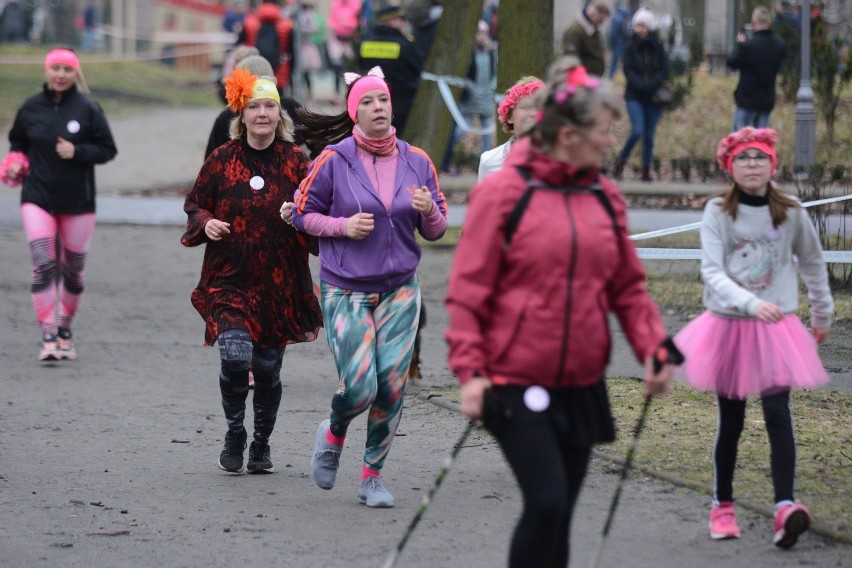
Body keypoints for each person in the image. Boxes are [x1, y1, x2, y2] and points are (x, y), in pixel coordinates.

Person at [444, 57, 673, 568]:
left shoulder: (603, 195)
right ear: (567, 133)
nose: (609, 142)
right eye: (602, 131)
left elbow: (628, 288)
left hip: (581, 379)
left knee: (562, 512)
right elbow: (467, 290)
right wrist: (471, 371)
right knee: (545, 502)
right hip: (512, 376)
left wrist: (653, 346)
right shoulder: (505, 192)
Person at [283, 66, 448, 508]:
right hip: (346, 288)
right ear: (355, 112)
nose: (378, 108)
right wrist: (342, 227)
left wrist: (429, 209)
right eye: (369, 102)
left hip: (400, 289)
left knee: (391, 386)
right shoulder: (334, 161)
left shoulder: (417, 160)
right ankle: (334, 432)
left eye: (384, 101)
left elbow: (436, 229)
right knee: (359, 387)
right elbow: (300, 214)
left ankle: (371, 477)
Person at [673, 127, 832, 548]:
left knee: (779, 415)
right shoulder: (717, 213)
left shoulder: (791, 212)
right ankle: (722, 503)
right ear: (729, 166)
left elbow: (813, 264)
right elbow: (711, 271)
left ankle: (784, 507)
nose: (752, 165)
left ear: (772, 164)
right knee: (733, 421)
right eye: (743, 159)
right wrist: (748, 304)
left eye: (760, 158)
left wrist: (823, 312)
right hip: (729, 327)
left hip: (776, 329)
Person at [181, 68, 323, 474]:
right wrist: (206, 222)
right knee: (235, 357)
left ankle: (261, 443)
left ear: (281, 116)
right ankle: (234, 431)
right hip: (229, 278)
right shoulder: (223, 159)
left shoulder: (297, 161)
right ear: (241, 115)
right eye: (255, 106)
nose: (262, 114)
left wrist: (299, 215)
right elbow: (195, 203)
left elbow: (318, 211)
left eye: (270, 107)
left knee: (266, 368)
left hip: (279, 283)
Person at [2, 47, 117, 361]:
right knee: (43, 264)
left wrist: (78, 152)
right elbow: (17, 141)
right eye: (56, 69)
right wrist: (15, 162)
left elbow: (108, 150)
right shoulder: (30, 108)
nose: (61, 75)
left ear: (76, 74)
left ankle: (65, 330)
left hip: (78, 201)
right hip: (37, 197)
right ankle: (48, 336)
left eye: (67, 69)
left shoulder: (88, 109)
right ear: (47, 71)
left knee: (73, 271)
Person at [205, 54, 304, 159]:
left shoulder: (291, 109)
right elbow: (210, 164)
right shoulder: (226, 119)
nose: (262, 113)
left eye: (270, 105)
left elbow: (316, 145)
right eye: (253, 107)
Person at [612, 8, 667, 182]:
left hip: (653, 97)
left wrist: (652, 84)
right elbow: (627, 69)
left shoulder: (658, 46)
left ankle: (646, 169)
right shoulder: (630, 46)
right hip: (634, 95)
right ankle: (621, 160)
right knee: (637, 131)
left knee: (649, 136)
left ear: (650, 27)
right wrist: (641, 85)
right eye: (637, 25)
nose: (639, 29)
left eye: (643, 25)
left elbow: (663, 69)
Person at [357, 3, 425, 134]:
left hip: (371, 101)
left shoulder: (365, 43)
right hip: (401, 105)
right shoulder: (404, 45)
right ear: (392, 21)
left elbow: (360, 67)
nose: (404, 24)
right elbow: (418, 70)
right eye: (401, 20)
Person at [440, 19, 497, 174]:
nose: (482, 36)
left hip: (485, 97)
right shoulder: (468, 52)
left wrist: (490, 89)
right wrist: (470, 88)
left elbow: (493, 74)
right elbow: (463, 75)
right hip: (470, 98)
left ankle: (485, 161)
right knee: (460, 129)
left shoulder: (491, 52)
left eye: (484, 33)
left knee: (487, 130)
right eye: (479, 33)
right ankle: (446, 159)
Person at [726, 6, 786, 131]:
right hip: (767, 101)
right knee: (761, 143)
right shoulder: (779, 46)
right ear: (769, 23)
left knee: (740, 143)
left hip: (746, 101)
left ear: (753, 22)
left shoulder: (747, 47)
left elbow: (731, 63)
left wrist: (739, 45)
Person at [478, 76, 543, 181]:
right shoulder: (489, 161)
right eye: (525, 107)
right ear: (509, 116)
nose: (534, 113)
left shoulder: (562, 159)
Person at [242, 0, 295, 93]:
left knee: (255, 99)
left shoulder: (249, 23)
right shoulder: (287, 25)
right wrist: (291, 74)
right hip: (279, 70)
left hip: (254, 70)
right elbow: (292, 52)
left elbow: (240, 47)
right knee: (278, 100)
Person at [561, 0, 610, 77]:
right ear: (592, 14)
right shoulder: (575, 31)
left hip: (592, 79)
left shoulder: (593, 29)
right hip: (582, 80)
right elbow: (570, 59)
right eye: (600, 20)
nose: (601, 23)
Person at [327, 0, 362, 104]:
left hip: (350, 42)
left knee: (350, 69)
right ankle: (336, 94)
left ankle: (352, 94)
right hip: (338, 40)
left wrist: (347, 24)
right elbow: (331, 22)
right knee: (337, 69)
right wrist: (339, 24)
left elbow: (358, 23)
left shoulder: (356, 5)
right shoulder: (335, 5)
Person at [607, 2, 632, 78]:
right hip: (625, 40)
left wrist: (611, 43)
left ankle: (612, 74)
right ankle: (626, 75)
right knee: (625, 59)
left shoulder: (616, 16)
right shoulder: (627, 15)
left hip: (618, 41)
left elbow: (613, 32)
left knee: (615, 59)